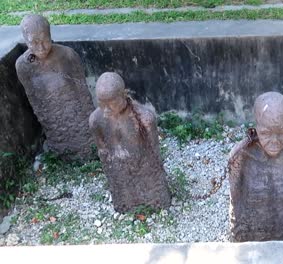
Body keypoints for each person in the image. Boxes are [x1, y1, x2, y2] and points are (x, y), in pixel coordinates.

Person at [228, 91, 283, 242]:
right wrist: (239, 241)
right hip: (251, 239)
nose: (275, 141)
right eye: (266, 133)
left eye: (282, 132)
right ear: (256, 127)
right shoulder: (241, 155)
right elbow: (236, 205)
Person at [15, 14, 95, 160]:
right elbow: (35, 103)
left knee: (86, 146)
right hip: (54, 124)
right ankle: (62, 153)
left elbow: (84, 95)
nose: (41, 47)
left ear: (50, 35)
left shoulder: (67, 55)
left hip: (77, 118)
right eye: (34, 42)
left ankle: (87, 151)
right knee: (61, 146)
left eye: (45, 40)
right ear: (26, 41)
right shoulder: (23, 66)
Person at [89, 72, 171, 212]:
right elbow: (102, 150)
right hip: (118, 170)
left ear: (123, 95)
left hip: (144, 167)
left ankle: (155, 204)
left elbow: (154, 153)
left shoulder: (144, 118)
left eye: (111, 103)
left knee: (152, 191)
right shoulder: (96, 120)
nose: (106, 109)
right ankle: (124, 205)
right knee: (124, 192)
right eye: (101, 103)